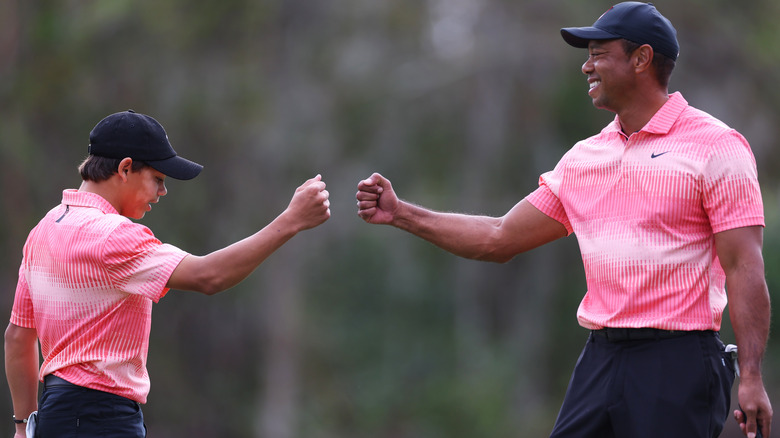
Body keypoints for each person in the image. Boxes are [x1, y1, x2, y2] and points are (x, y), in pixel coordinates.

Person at [356, 2, 771, 437]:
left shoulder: (716, 146)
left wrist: (752, 375)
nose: (585, 66)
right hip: (600, 358)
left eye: (598, 53)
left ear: (641, 58)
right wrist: (402, 214)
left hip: (678, 361)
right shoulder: (584, 158)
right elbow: (499, 238)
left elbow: (744, 265)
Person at [5, 110, 331, 437]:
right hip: (101, 417)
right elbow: (209, 276)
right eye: (158, 179)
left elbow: (18, 338)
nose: (162, 192)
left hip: (56, 416)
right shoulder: (114, 236)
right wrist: (291, 221)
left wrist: (22, 426)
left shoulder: (43, 230)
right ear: (125, 168)